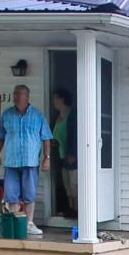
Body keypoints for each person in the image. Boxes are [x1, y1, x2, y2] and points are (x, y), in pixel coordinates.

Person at [0, 84, 52, 236]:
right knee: (11, 194)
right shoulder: (6, 115)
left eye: (20, 94)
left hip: (30, 161)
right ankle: (15, 221)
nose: (16, 97)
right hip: (11, 161)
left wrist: (47, 158)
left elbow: (46, 138)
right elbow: (0, 138)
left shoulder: (38, 116)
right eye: (15, 94)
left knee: (29, 194)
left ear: (27, 96)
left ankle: (29, 223)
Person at [50, 88, 78, 218]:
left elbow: (74, 135)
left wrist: (73, 153)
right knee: (66, 184)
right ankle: (70, 209)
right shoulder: (58, 117)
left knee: (74, 183)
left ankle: (78, 210)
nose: (53, 101)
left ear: (62, 99)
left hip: (72, 156)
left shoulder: (72, 115)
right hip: (62, 155)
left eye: (56, 98)